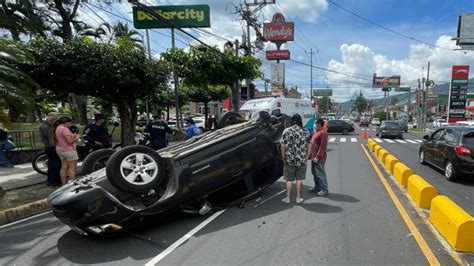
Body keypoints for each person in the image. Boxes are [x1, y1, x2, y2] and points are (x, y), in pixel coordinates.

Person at [280, 114, 310, 204]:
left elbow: (282, 145)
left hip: (289, 159)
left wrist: (283, 156)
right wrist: (307, 156)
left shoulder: (286, 131)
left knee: (289, 180)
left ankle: (288, 198)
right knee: (299, 179)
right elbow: (309, 146)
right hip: (301, 159)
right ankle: (298, 198)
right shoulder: (305, 131)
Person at [55, 117, 81, 184]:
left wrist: (73, 135)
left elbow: (63, 138)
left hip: (60, 150)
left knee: (63, 168)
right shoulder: (65, 129)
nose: (70, 124)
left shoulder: (58, 128)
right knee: (72, 168)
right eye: (70, 123)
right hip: (69, 150)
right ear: (66, 122)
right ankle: (72, 185)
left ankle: (64, 184)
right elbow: (69, 141)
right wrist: (77, 137)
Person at [308, 118, 329, 196]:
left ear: (320, 124)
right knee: (315, 173)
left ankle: (324, 189)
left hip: (319, 158)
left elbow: (323, 147)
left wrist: (318, 156)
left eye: (316, 124)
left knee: (320, 174)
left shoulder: (323, 133)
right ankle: (317, 187)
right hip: (313, 157)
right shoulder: (316, 132)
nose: (315, 125)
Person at [39, 113, 61, 186]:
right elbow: (50, 135)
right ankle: (52, 181)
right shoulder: (44, 126)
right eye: (54, 119)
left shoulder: (50, 125)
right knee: (54, 164)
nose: (55, 121)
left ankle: (55, 179)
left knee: (56, 164)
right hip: (50, 147)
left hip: (53, 146)